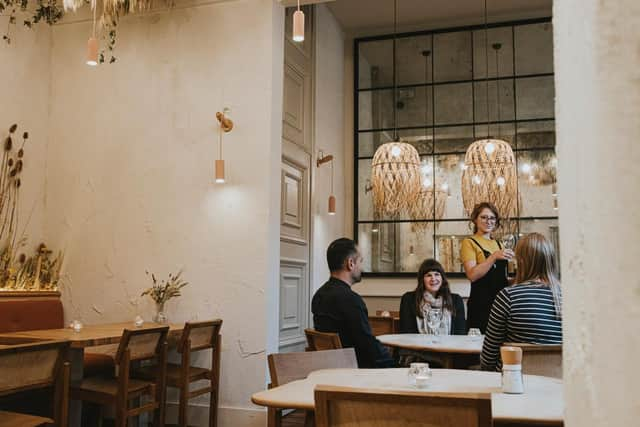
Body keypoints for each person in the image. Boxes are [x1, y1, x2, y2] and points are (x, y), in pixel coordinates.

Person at [480, 233, 563, 371]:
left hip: (513, 385)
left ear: (521, 261)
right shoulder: (569, 297)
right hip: (560, 386)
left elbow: (488, 358)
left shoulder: (508, 296)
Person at [312, 238, 394, 368]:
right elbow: (368, 347)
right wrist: (395, 363)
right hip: (356, 371)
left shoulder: (319, 295)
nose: (362, 267)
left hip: (330, 368)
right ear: (350, 263)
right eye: (360, 261)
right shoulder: (351, 300)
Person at [461, 202, 513, 333]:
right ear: (475, 219)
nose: (488, 221)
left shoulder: (499, 244)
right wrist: (493, 256)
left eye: (492, 218)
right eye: (483, 217)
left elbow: (503, 277)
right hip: (480, 305)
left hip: (501, 304)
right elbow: (472, 275)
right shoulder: (469, 242)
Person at [399, 259, 466, 335]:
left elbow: (460, 334)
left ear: (442, 278)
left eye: (437, 274)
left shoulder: (456, 300)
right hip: (417, 346)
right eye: (428, 275)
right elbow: (406, 333)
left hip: (448, 346)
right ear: (422, 280)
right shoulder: (409, 299)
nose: (433, 279)